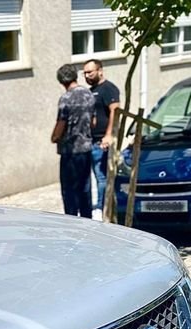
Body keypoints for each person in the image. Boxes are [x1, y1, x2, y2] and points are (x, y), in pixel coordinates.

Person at [51, 64, 95, 219]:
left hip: (71, 151)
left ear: (62, 81)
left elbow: (61, 123)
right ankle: (87, 220)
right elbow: (93, 122)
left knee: (69, 191)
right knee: (85, 188)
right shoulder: (88, 94)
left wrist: (54, 137)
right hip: (86, 148)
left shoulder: (66, 98)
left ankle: (71, 221)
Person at [83, 58, 121, 220]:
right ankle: (94, 206)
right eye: (84, 73)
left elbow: (115, 111)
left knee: (101, 176)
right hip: (89, 140)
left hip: (101, 141)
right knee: (91, 176)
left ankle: (101, 207)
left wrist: (109, 135)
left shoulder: (108, 89)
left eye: (90, 72)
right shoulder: (91, 91)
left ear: (100, 71)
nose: (87, 76)